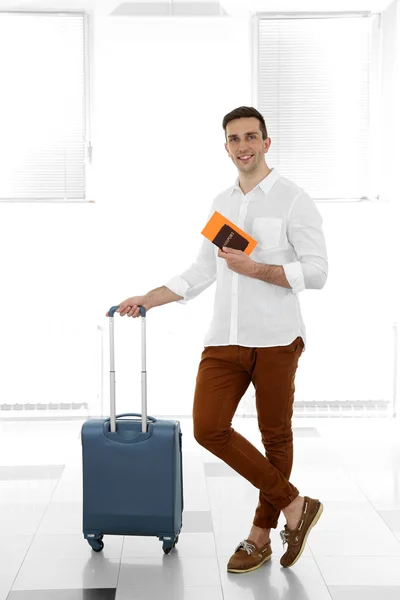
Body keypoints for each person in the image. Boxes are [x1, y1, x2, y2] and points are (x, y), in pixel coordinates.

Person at [107, 106, 328, 574]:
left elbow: (317, 272)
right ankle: (295, 504)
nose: (243, 145)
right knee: (209, 427)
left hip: (276, 339)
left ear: (267, 143)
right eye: (234, 139)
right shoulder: (221, 202)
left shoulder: (294, 200)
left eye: (251, 136)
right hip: (224, 340)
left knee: (276, 437)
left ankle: (259, 537)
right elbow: (203, 270)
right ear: (225, 146)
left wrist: (258, 269)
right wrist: (149, 297)